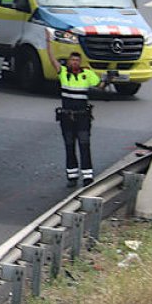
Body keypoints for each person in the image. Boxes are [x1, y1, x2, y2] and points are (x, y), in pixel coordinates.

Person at [46, 32, 110, 188]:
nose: (74, 63)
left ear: (80, 62)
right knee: (69, 145)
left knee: (84, 143)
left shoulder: (87, 74)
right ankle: (72, 176)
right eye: (72, 60)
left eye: (76, 60)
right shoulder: (63, 73)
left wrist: (107, 80)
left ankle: (87, 176)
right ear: (68, 62)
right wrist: (48, 43)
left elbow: (99, 86)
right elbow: (52, 60)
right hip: (67, 116)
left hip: (82, 117)